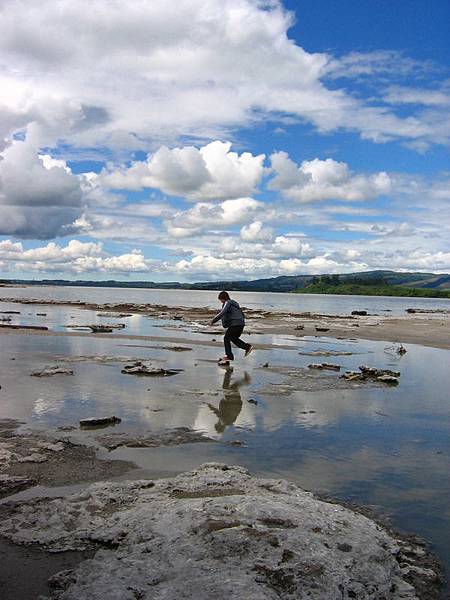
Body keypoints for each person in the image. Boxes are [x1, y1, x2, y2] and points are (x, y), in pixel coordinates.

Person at [210, 291, 253, 365]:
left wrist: (213, 321)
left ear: (223, 298)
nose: (221, 302)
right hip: (241, 324)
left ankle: (229, 356)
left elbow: (222, 313)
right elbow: (241, 314)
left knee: (226, 338)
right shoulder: (235, 304)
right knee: (233, 338)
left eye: (221, 300)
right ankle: (247, 347)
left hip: (235, 324)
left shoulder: (228, 302)